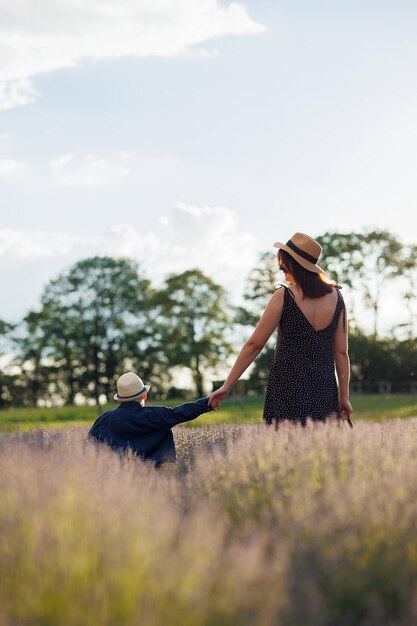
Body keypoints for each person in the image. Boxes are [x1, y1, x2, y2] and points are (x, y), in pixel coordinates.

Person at [209, 232, 353, 426]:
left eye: (284, 264)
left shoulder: (284, 296)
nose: (281, 269)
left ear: (296, 265)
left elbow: (254, 344)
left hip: (287, 391)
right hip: (324, 391)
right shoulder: (338, 298)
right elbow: (341, 352)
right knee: (321, 452)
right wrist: (344, 397)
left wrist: (227, 385)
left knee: (284, 452)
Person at [89, 372, 213, 466]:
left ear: (120, 398)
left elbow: (91, 444)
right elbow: (181, 413)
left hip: (116, 477)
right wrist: (208, 403)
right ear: (144, 395)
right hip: (154, 474)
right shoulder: (154, 415)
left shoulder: (103, 420)